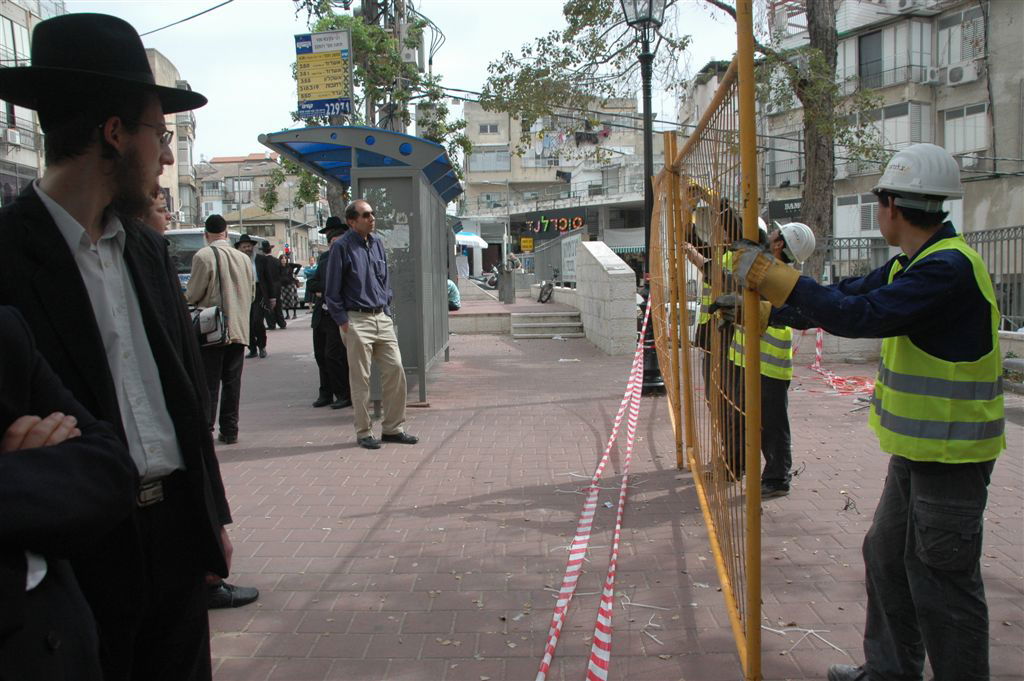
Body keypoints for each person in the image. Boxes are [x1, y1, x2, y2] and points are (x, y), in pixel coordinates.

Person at [0, 14, 234, 680]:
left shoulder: (148, 251)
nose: (167, 156)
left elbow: (186, 396)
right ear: (114, 134)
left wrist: (212, 517)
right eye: (160, 134)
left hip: (177, 539)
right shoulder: (8, 257)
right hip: (77, 552)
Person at [734, 143, 1005, 681]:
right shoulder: (915, 264)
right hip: (921, 450)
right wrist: (765, 309)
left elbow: (860, 316)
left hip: (952, 457)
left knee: (943, 583)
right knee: (886, 556)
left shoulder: (945, 270)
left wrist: (771, 275)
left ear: (892, 206)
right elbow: (843, 297)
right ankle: (889, 671)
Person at [0, 305, 136, 681]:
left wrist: (16, 472)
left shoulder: (7, 332)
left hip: (60, 652)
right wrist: (37, 472)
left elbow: (111, 467)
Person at [723, 221, 815, 496]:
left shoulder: (778, 279)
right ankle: (736, 465)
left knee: (772, 425)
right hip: (745, 357)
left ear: (779, 244)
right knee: (739, 416)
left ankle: (777, 478)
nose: (769, 236)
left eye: (774, 234)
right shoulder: (771, 273)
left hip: (769, 364)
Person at [325, 199, 418, 450]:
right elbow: (331, 291)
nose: (372, 218)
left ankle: (393, 428)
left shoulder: (377, 243)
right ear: (351, 221)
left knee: (396, 370)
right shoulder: (341, 247)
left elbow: (384, 280)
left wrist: (386, 309)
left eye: (372, 214)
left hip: (381, 317)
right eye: (366, 215)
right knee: (360, 379)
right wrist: (344, 322)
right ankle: (364, 431)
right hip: (356, 319)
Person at [186, 215, 255, 445]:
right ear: (226, 233)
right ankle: (230, 429)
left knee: (209, 381)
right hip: (239, 328)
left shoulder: (203, 256)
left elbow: (193, 294)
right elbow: (252, 294)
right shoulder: (243, 258)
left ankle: (207, 427)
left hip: (212, 329)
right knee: (232, 381)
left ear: (206, 234)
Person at [307, 216, 352, 410]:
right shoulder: (324, 258)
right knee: (320, 355)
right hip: (322, 314)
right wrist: (325, 289)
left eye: (337, 239)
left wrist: (325, 290)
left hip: (337, 315)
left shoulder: (349, 255)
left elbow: (341, 286)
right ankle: (325, 392)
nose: (334, 244)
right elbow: (312, 283)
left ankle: (343, 393)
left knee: (334, 355)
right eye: (331, 240)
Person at [236, 234, 268, 359]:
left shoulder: (260, 260)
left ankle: (262, 346)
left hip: (258, 291)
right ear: (239, 248)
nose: (246, 249)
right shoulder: (236, 261)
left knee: (257, 321)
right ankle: (252, 348)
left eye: (248, 246)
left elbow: (270, 279)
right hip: (242, 292)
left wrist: (272, 297)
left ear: (252, 247)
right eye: (244, 247)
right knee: (246, 323)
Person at [256, 241, 284, 330]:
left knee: (268, 304)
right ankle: (282, 322)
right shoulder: (276, 261)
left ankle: (271, 323)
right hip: (277, 285)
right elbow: (281, 273)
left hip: (267, 285)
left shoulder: (262, 261)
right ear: (270, 250)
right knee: (278, 304)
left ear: (263, 251)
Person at [278, 252, 301, 320]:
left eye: (285, 258)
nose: (283, 260)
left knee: (293, 299)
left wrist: (295, 273)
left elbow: (299, 266)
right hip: (283, 286)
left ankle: (294, 314)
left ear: (287, 259)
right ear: (280, 260)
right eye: (282, 259)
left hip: (291, 285)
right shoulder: (278, 267)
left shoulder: (290, 265)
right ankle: (287, 314)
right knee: (285, 300)